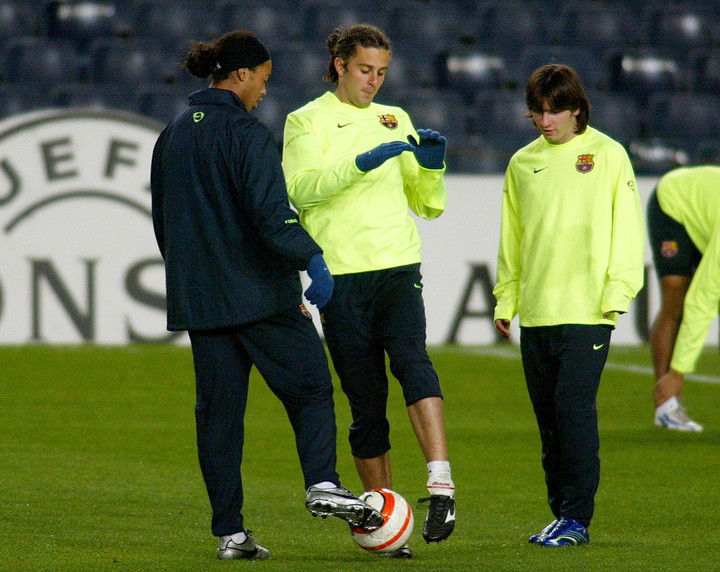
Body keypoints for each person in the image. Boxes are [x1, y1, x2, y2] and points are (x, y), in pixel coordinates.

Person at [150, 30, 382, 561]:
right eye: (262, 80)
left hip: (202, 303)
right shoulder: (246, 134)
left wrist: (195, 278)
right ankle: (322, 482)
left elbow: (165, 223)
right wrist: (312, 257)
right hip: (260, 297)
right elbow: (272, 217)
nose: (263, 92)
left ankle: (230, 534)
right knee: (310, 388)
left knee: (219, 418)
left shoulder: (173, 133)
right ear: (240, 75)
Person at [281, 24, 454, 558]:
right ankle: (384, 516)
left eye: (381, 72)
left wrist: (431, 167)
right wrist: (360, 163)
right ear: (339, 64)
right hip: (341, 277)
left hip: (398, 266)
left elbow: (428, 205)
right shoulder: (305, 120)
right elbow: (300, 190)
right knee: (365, 403)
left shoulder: (395, 118)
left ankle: (442, 487)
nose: (374, 82)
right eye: (364, 70)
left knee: (413, 363)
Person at [493, 64, 645, 547]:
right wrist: (507, 297)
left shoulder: (609, 154)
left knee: (573, 411)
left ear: (576, 109)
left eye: (554, 110)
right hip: (538, 312)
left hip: (588, 311)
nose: (545, 120)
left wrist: (617, 295)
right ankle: (561, 515)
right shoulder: (522, 163)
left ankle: (577, 518)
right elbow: (512, 238)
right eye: (538, 111)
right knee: (550, 424)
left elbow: (627, 229)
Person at [648, 166, 720, 431]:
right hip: (674, 201)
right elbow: (703, 299)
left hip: (706, 219)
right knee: (676, 294)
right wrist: (677, 373)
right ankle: (666, 406)